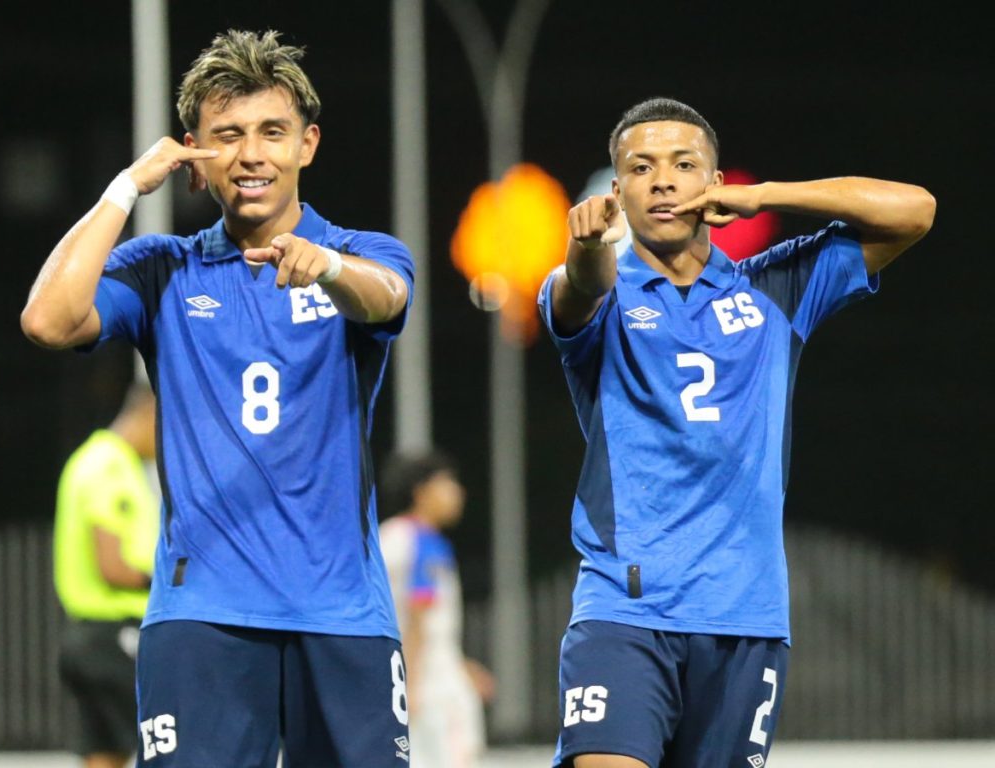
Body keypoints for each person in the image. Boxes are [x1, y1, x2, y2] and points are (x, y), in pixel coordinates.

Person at [22, 29, 415, 767]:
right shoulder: (162, 270)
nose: (252, 154)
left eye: (272, 132)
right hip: (201, 617)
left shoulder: (364, 254)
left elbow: (386, 299)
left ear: (309, 145)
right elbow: (47, 319)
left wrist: (326, 266)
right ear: (195, 158)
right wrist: (126, 188)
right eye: (226, 136)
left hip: (341, 612)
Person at [537, 97, 935, 768]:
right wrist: (585, 248)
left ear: (714, 185)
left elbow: (915, 210)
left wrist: (767, 196)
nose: (662, 180)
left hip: (744, 617)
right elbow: (581, 289)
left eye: (683, 164)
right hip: (625, 609)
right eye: (640, 168)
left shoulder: (776, 288)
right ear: (618, 190)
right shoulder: (602, 295)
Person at [54, 381, 159, 768]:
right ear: (149, 414)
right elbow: (113, 566)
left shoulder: (87, 458)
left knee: (105, 753)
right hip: (115, 633)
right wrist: (169, 581)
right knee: (170, 730)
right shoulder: (111, 467)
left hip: (84, 635)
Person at [378, 451, 495, 768]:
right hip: (430, 685)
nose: (458, 493)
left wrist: (462, 665)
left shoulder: (388, 535)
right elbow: (418, 612)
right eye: (447, 483)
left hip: (401, 674)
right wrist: (413, 684)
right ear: (421, 491)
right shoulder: (422, 540)